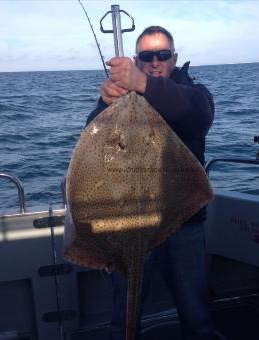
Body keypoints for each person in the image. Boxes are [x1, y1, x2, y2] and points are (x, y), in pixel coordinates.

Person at [86, 26, 215, 340]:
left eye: (163, 54)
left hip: (182, 221)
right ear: (136, 59)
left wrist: (141, 83)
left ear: (174, 58)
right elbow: (92, 143)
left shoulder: (193, 94)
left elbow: (198, 113)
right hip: (129, 222)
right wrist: (105, 104)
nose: (155, 61)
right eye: (146, 56)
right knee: (125, 314)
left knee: (195, 312)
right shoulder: (121, 98)